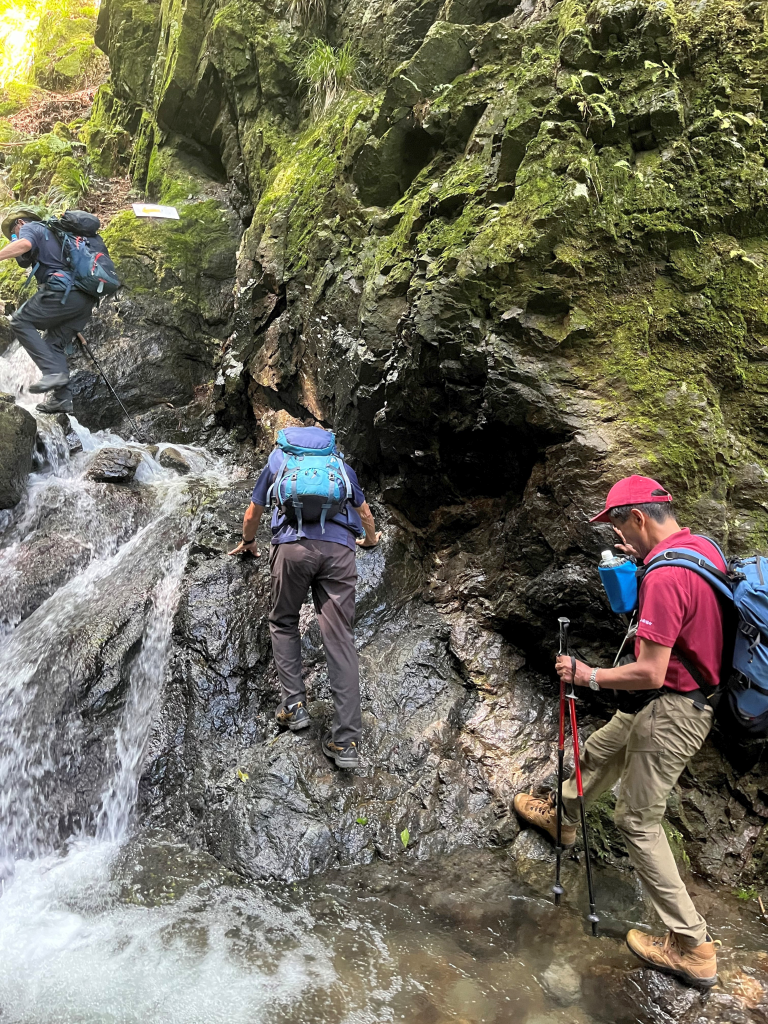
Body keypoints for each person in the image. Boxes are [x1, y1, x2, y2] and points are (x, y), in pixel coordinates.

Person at [514, 475, 723, 989]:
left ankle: (692, 946)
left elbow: (650, 669)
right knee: (599, 752)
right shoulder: (700, 549)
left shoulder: (666, 577)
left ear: (639, 517)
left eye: (616, 523)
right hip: (662, 699)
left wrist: (589, 676)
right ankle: (563, 816)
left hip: (674, 707)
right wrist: (641, 563)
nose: (614, 535)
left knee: (637, 819)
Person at [229, 426, 381, 769]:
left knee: (283, 620)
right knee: (340, 638)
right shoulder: (339, 465)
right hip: (339, 552)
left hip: (292, 549)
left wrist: (250, 542)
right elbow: (365, 513)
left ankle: (294, 707)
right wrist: (369, 540)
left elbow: (253, 512)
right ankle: (346, 742)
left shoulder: (279, 459)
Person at [0, 207, 106, 414]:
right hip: (84, 298)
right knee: (53, 344)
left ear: (19, 223)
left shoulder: (30, 227)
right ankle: (61, 399)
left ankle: (51, 374)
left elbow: (25, 244)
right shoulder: (55, 237)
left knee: (19, 321)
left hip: (62, 291)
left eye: (13, 234)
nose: (14, 238)